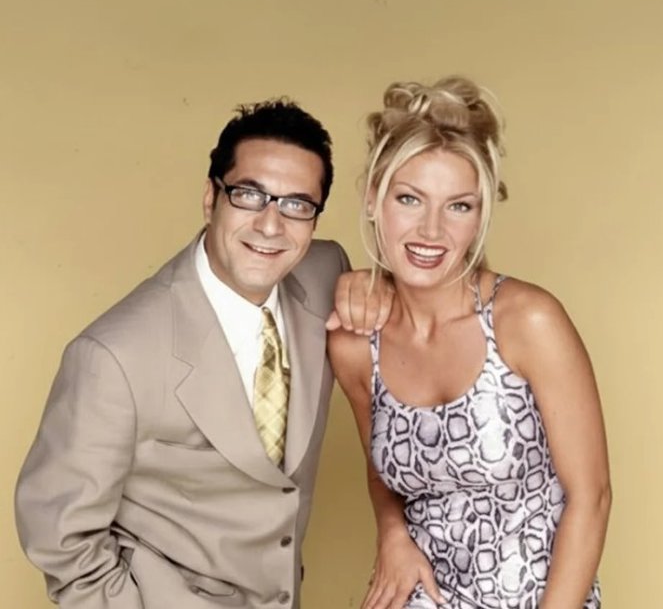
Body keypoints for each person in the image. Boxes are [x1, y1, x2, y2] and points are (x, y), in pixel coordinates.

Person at [15, 98, 392, 609]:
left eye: (297, 204)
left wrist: (378, 289)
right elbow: (60, 536)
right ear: (211, 198)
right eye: (249, 195)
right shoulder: (113, 356)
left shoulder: (327, 273)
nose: (271, 225)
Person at [329, 77, 612, 609]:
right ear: (372, 200)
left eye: (458, 206)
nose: (431, 231)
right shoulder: (355, 344)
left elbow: (591, 497)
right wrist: (392, 533)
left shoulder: (527, 322)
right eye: (409, 199)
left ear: (481, 215)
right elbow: (381, 471)